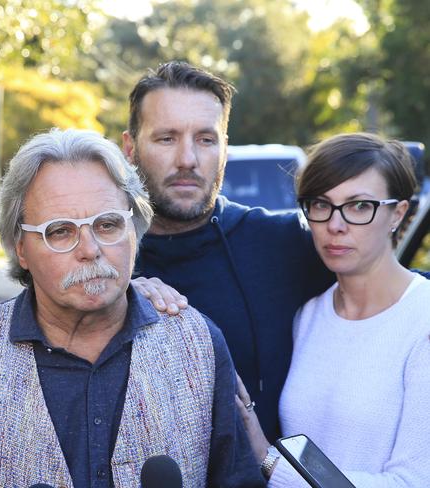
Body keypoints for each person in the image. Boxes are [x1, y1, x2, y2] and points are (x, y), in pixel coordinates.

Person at [0, 128, 264, 487]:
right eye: (61, 231)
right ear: (20, 247)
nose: (90, 249)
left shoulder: (197, 345)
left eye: (108, 224)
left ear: (134, 229)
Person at [123, 61, 334, 442]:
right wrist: (115, 297)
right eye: (167, 138)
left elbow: (390, 292)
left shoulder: (283, 242)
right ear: (130, 148)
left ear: (224, 150)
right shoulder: (97, 255)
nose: (187, 159)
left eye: (206, 139)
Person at [236, 132, 430, 486]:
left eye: (359, 206)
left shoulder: (422, 320)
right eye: (321, 204)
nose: (335, 225)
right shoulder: (306, 316)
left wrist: (268, 461)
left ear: (397, 214)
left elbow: (414, 481)